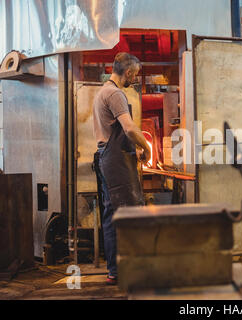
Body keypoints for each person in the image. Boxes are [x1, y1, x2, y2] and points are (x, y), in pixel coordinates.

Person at [93, 52, 151, 285]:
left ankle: (115, 270)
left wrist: (132, 151)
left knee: (112, 215)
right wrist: (146, 147)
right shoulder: (115, 93)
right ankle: (128, 269)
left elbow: (112, 133)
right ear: (128, 72)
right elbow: (129, 129)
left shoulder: (102, 91)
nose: (135, 79)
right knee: (127, 214)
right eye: (135, 75)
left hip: (106, 157)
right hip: (114, 161)